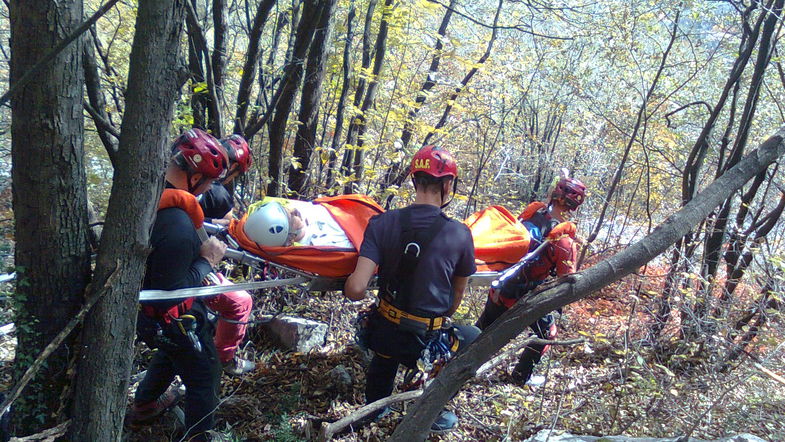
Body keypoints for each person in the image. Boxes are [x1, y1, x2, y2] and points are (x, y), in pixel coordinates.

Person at [343, 145, 480, 434]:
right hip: (425, 342)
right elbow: (454, 300)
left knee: (385, 343)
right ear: (447, 184)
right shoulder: (460, 233)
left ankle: (376, 407)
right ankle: (430, 407)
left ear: (414, 180)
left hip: (384, 334)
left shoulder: (381, 223)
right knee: (474, 337)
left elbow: (356, 289)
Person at [129, 129, 229, 440]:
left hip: (151, 318)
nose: (210, 188)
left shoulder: (147, 194)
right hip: (167, 317)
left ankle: (145, 403)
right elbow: (169, 293)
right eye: (209, 181)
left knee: (173, 354)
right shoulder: (177, 225)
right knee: (204, 376)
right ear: (196, 176)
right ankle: (199, 437)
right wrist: (207, 261)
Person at [475, 176, 586, 385]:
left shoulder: (532, 212)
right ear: (575, 205)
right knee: (547, 334)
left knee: (481, 330)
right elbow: (567, 279)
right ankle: (520, 378)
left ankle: (453, 363)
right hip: (523, 298)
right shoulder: (564, 241)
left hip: (501, 285)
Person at [197, 134, 256, 375]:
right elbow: (231, 226)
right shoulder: (217, 193)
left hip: (176, 260)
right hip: (191, 268)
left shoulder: (176, 179)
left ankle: (147, 401)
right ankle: (224, 358)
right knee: (240, 302)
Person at [243, 198, 352, 248]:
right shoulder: (320, 245)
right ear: (289, 237)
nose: (294, 210)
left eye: (286, 209)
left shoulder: (306, 209)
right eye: (290, 216)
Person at [199, 134, 253, 226]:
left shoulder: (185, 178)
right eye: (236, 174)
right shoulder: (220, 195)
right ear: (233, 167)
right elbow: (227, 225)